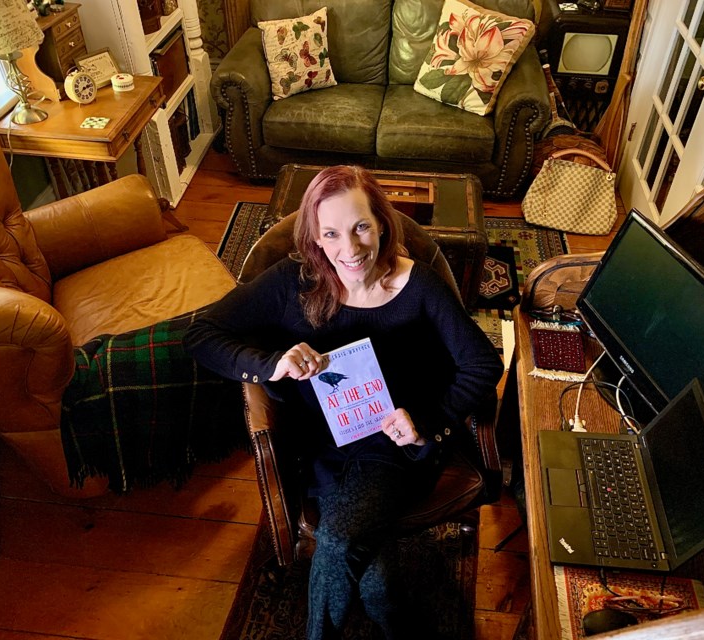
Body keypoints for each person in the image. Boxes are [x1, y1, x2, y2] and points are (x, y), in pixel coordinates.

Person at [183, 165, 503, 639]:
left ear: (381, 224)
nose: (349, 250)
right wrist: (271, 363)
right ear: (314, 238)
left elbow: (483, 364)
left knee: (335, 538)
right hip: (319, 443)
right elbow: (201, 333)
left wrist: (429, 422)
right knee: (380, 588)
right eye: (330, 233)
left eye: (360, 228)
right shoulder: (294, 279)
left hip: (391, 445)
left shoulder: (420, 287)